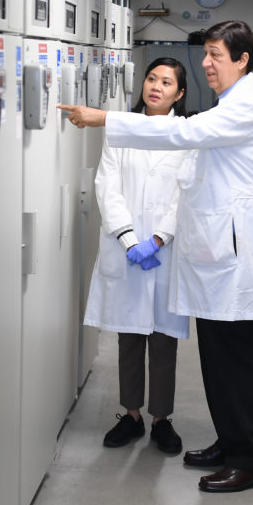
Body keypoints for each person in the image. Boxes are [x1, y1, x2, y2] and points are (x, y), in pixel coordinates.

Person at [59, 20, 253, 494]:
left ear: (242, 59)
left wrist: (103, 119)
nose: (207, 63)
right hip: (218, 251)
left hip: (235, 255)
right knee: (218, 356)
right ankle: (231, 442)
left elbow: (183, 137)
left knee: (236, 358)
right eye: (206, 54)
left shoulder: (248, 104)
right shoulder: (233, 101)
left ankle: (252, 460)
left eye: (216, 55)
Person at [84, 58, 191, 455]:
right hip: (125, 248)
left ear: (179, 93)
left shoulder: (185, 134)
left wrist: (159, 239)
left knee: (164, 342)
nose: (156, 87)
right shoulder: (119, 131)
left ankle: (162, 420)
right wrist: (130, 239)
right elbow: (106, 186)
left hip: (165, 251)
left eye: (166, 82)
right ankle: (131, 415)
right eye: (151, 79)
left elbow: (185, 191)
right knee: (129, 338)